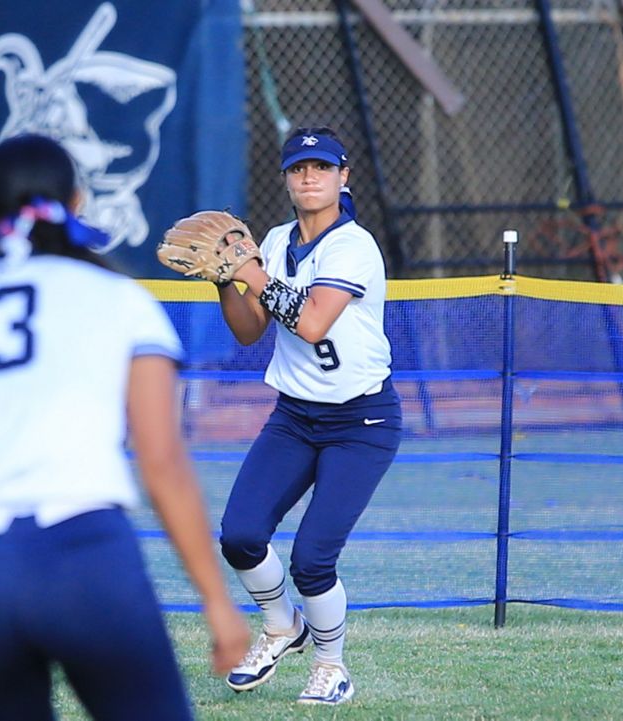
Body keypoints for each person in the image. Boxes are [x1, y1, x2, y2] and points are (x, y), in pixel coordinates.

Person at [0, 134, 248, 720]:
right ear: (76, 202)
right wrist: (216, 603)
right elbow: (162, 464)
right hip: (84, 557)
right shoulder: (120, 301)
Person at [213, 126, 402, 704]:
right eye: (298, 169)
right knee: (239, 536)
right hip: (295, 415)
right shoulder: (272, 242)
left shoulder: (354, 246)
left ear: (344, 178)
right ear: (287, 180)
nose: (309, 177)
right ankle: (281, 626)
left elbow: (313, 322)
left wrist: (253, 276)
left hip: (361, 422)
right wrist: (225, 279)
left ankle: (331, 666)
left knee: (313, 559)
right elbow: (249, 331)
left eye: (321, 167)